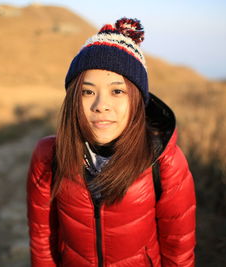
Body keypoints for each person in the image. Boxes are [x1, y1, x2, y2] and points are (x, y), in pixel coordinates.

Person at [27, 17, 196, 267]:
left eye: (117, 91)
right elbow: (42, 241)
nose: (101, 105)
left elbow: (178, 251)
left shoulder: (163, 161)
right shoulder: (49, 156)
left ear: (138, 100)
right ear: (73, 99)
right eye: (88, 92)